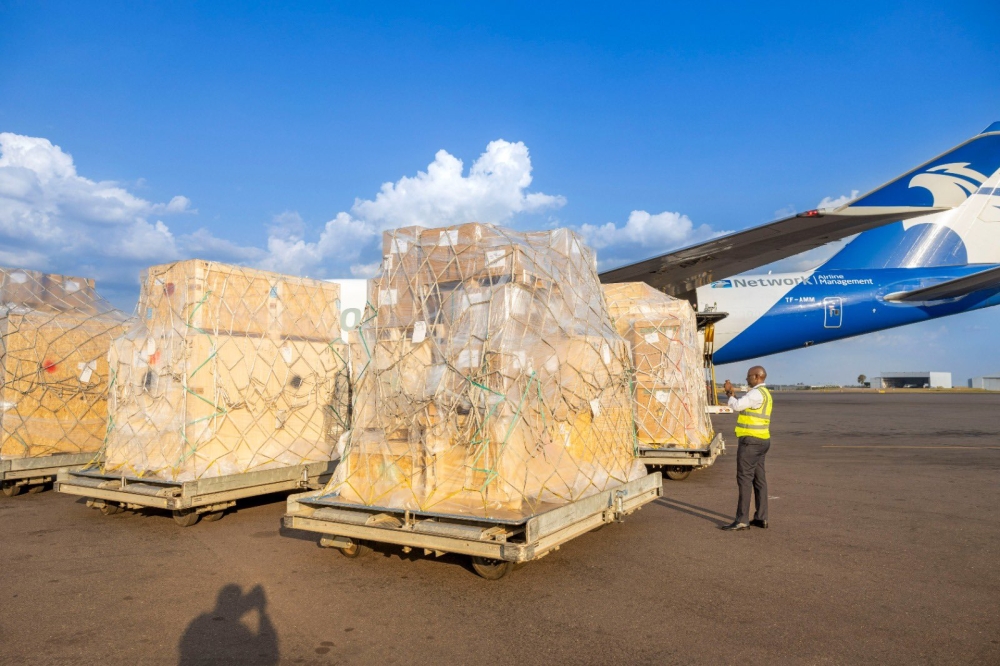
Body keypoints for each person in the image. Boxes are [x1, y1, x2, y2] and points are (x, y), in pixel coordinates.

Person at [721, 365, 772, 531]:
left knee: (744, 479)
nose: (746, 379)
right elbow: (744, 406)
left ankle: (742, 520)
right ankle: (761, 517)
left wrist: (729, 393)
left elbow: (736, 406)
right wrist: (732, 394)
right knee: (759, 480)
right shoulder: (766, 393)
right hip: (762, 440)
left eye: (749, 376)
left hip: (750, 443)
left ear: (757, 377)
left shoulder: (755, 393)